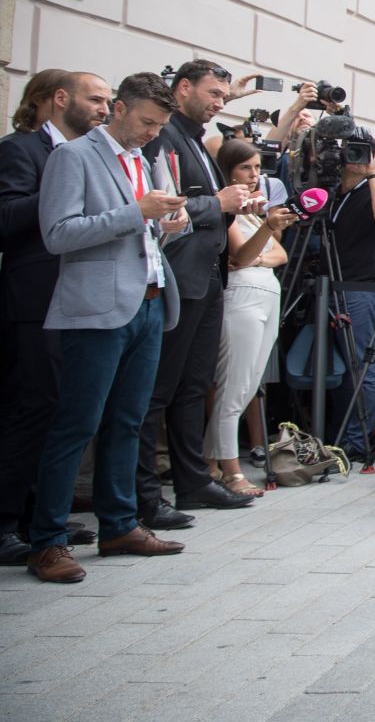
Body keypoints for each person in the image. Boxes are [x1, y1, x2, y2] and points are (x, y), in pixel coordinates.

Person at [27, 73, 191, 583]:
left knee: (129, 420)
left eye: (160, 126)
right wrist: (134, 213)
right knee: (77, 425)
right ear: (117, 109)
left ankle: (119, 525)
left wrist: (162, 228)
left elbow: (134, 236)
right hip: (95, 311)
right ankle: (47, 541)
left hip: (147, 303)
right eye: (146, 122)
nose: (151, 134)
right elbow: (57, 235)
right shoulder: (72, 156)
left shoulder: (141, 161)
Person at [138, 59, 257, 529]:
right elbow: (161, 202)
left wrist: (231, 206)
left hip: (208, 279)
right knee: (161, 389)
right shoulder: (165, 135)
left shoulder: (196, 139)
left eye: (224, 97)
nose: (219, 103)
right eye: (213, 94)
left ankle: (191, 480)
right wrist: (219, 203)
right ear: (183, 87)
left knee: (193, 385)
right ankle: (145, 492)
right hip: (180, 278)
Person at [0, 70, 110, 565]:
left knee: (60, 410)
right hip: (34, 300)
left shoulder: (86, 153)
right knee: (31, 409)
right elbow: (6, 218)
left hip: (75, 300)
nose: (105, 109)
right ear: (59, 98)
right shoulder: (21, 149)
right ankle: (5, 524)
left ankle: (40, 517)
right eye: (96, 99)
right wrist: (64, 193)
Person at [203, 140, 296, 498]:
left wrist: (260, 247)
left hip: (266, 296)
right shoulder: (226, 209)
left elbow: (280, 254)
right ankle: (231, 470)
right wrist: (263, 239)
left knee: (248, 385)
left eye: (258, 167)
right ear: (228, 171)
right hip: (241, 299)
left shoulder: (254, 212)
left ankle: (211, 462)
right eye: (246, 168)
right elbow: (241, 256)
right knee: (234, 387)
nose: (255, 175)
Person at [325, 128, 375, 461]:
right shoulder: (332, 190)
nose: (357, 156)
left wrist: (372, 173)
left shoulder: (372, 187)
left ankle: (358, 440)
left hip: (362, 289)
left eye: (364, 151)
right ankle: (340, 432)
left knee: (362, 367)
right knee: (342, 368)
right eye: (353, 150)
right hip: (333, 284)